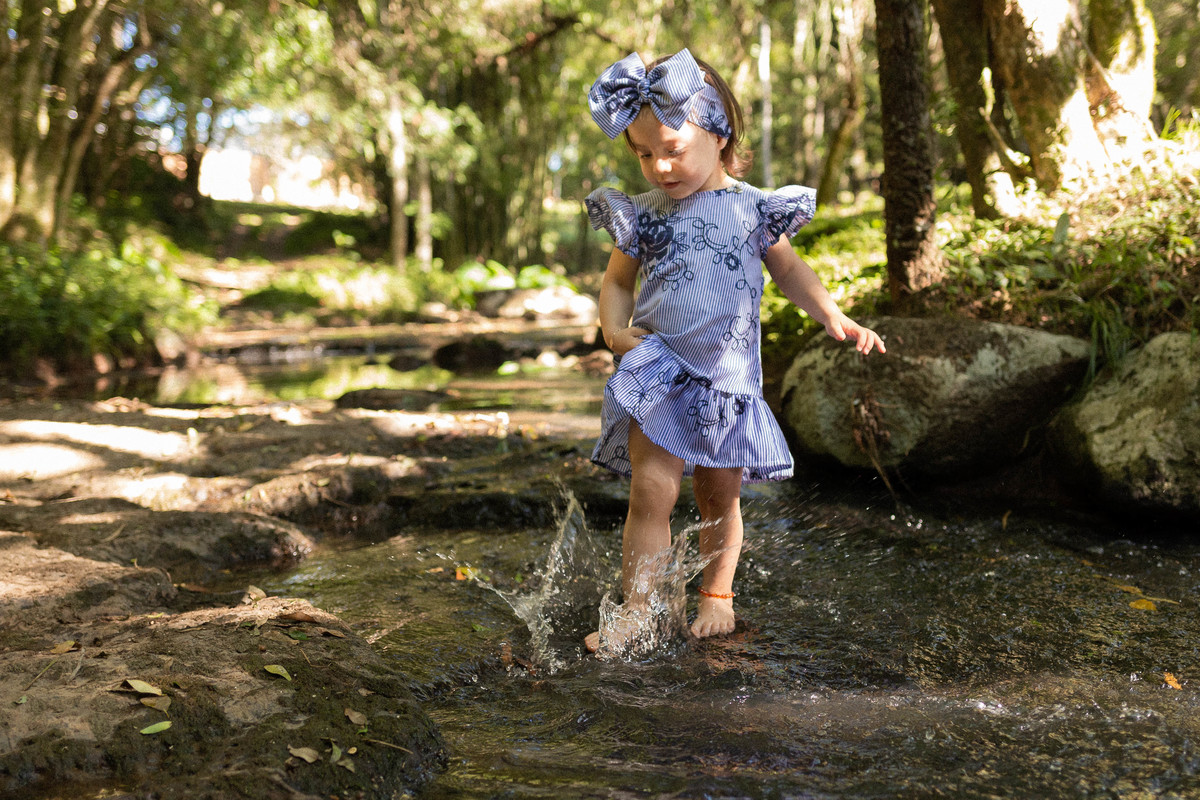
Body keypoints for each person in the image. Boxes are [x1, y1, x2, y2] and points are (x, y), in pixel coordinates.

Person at [582, 48, 885, 655]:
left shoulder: (754, 209)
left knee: (719, 495)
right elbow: (617, 283)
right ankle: (639, 610)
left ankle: (716, 595)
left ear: (719, 136)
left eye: (673, 149)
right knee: (651, 490)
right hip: (660, 370)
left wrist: (832, 314)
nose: (659, 166)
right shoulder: (643, 215)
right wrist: (614, 332)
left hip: (727, 379)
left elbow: (791, 271)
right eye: (643, 154)